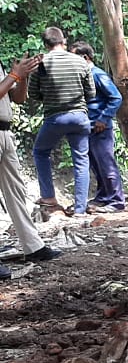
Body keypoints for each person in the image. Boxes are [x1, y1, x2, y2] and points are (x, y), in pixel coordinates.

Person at [0, 56, 62, 277]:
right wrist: (15, 75)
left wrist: (23, 77)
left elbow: (17, 98)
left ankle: (33, 246)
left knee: (16, 191)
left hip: (5, 132)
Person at [28, 27, 94, 216]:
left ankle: (48, 197)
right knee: (81, 160)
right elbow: (91, 93)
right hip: (80, 117)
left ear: (45, 44)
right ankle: (80, 209)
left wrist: (49, 96)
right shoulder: (80, 61)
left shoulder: (41, 63)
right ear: (63, 41)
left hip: (55, 117)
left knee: (40, 152)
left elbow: (33, 94)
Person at [71, 43, 126, 212]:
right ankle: (103, 196)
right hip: (88, 126)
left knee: (106, 163)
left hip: (101, 127)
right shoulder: (83, 76)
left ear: (85, 58)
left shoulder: (97, 74)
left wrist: (104, 118)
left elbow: (116, 97)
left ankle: (117, 201)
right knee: (95, 164)